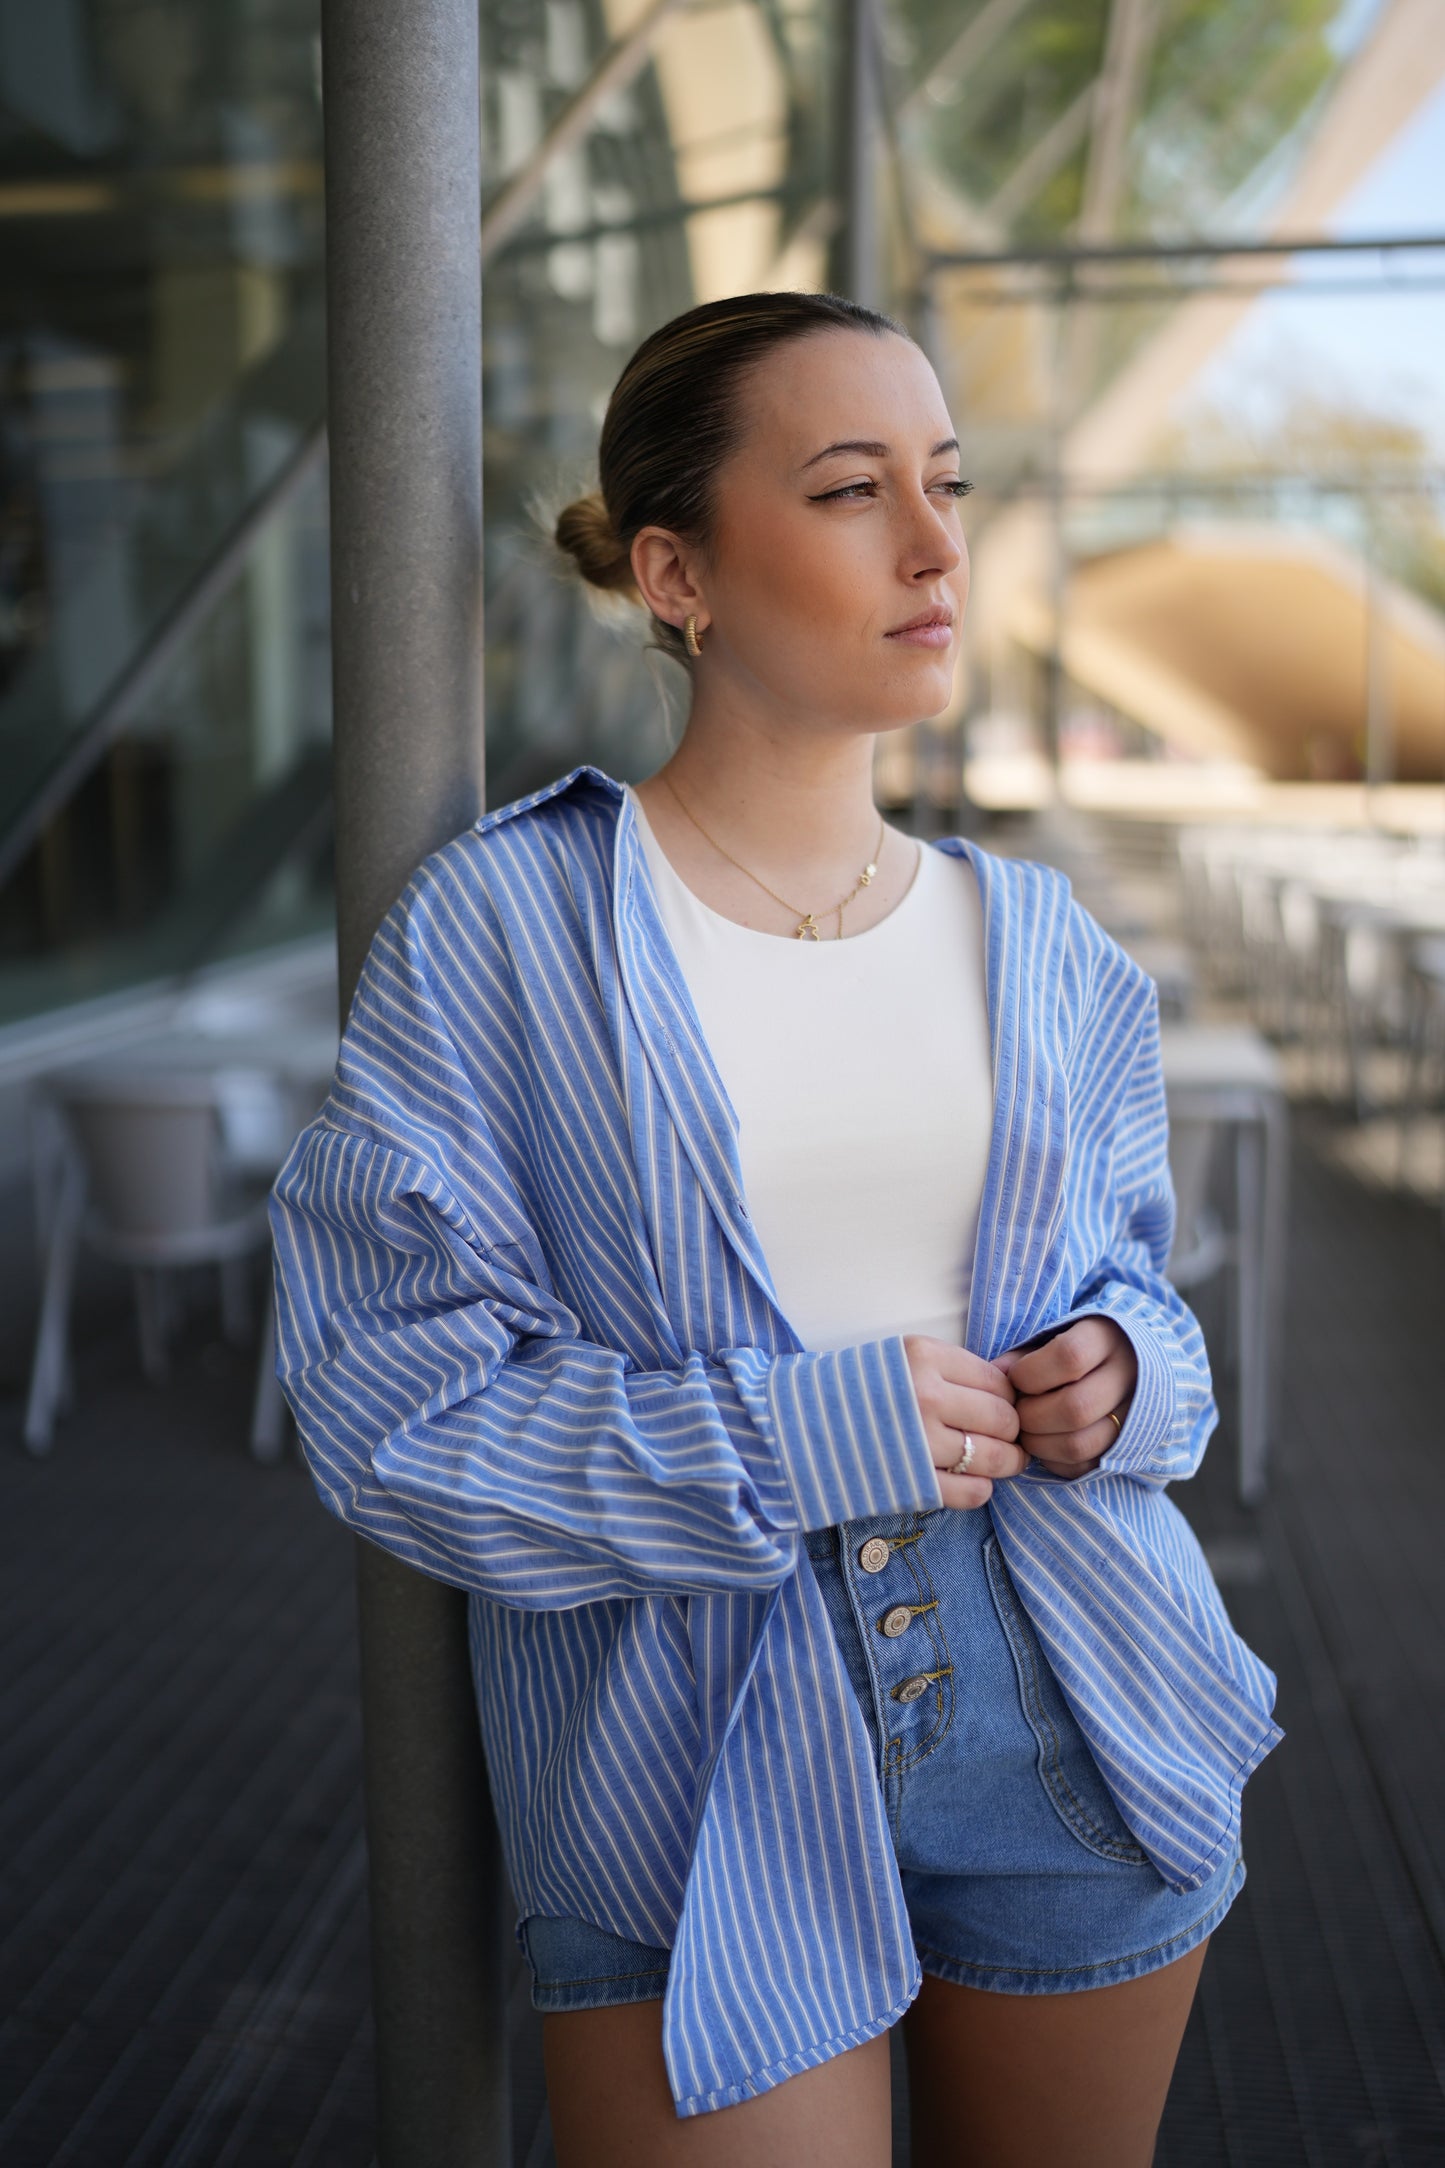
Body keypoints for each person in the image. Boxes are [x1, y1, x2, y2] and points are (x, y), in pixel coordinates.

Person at [269, 290, 1282, 2166]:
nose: (934, 543)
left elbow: (1155, 1300)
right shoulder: (505, 930)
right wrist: (800, 1435)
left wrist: (1121, 1372)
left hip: (1074, 1699)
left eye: (949, 483)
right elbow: (385, 1410)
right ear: (675, 572)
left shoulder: (1046, 946)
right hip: (678, 1746)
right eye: (846, 490)